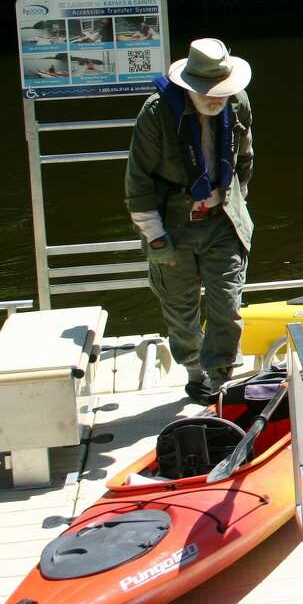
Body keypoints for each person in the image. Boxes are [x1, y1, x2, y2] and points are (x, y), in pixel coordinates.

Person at [124, 38, 254, 403]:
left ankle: (220, 376)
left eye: (222, 91)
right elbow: (138, 181)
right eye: (208, 92)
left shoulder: (238, 102)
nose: (216, 98)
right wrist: (154, 236)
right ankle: (195, 369)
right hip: (171, 224)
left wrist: (234, 200)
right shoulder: (155, 113)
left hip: (222, 219)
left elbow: (245, 158)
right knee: (179, 307)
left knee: (227, 304)